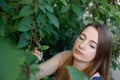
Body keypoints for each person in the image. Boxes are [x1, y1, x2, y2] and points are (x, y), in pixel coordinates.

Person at [32, 22, 113, 80]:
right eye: (81, 38)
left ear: (100, 54)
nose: (81, 45)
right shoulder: (65, 57)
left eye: (92, 46)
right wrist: (31, 62)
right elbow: (33, 75)